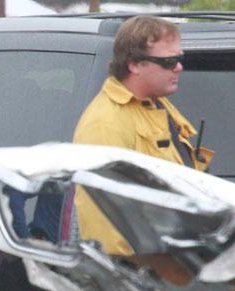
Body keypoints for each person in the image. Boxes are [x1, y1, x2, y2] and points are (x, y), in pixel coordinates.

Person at [73, 15, 214, 256]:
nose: (179, 67)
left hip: (177, 263)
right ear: (134, 64)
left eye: (179, 58)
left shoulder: (156, 105)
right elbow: (105, 221)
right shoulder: (106, 123)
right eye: (169, 61)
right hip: (143, 276)